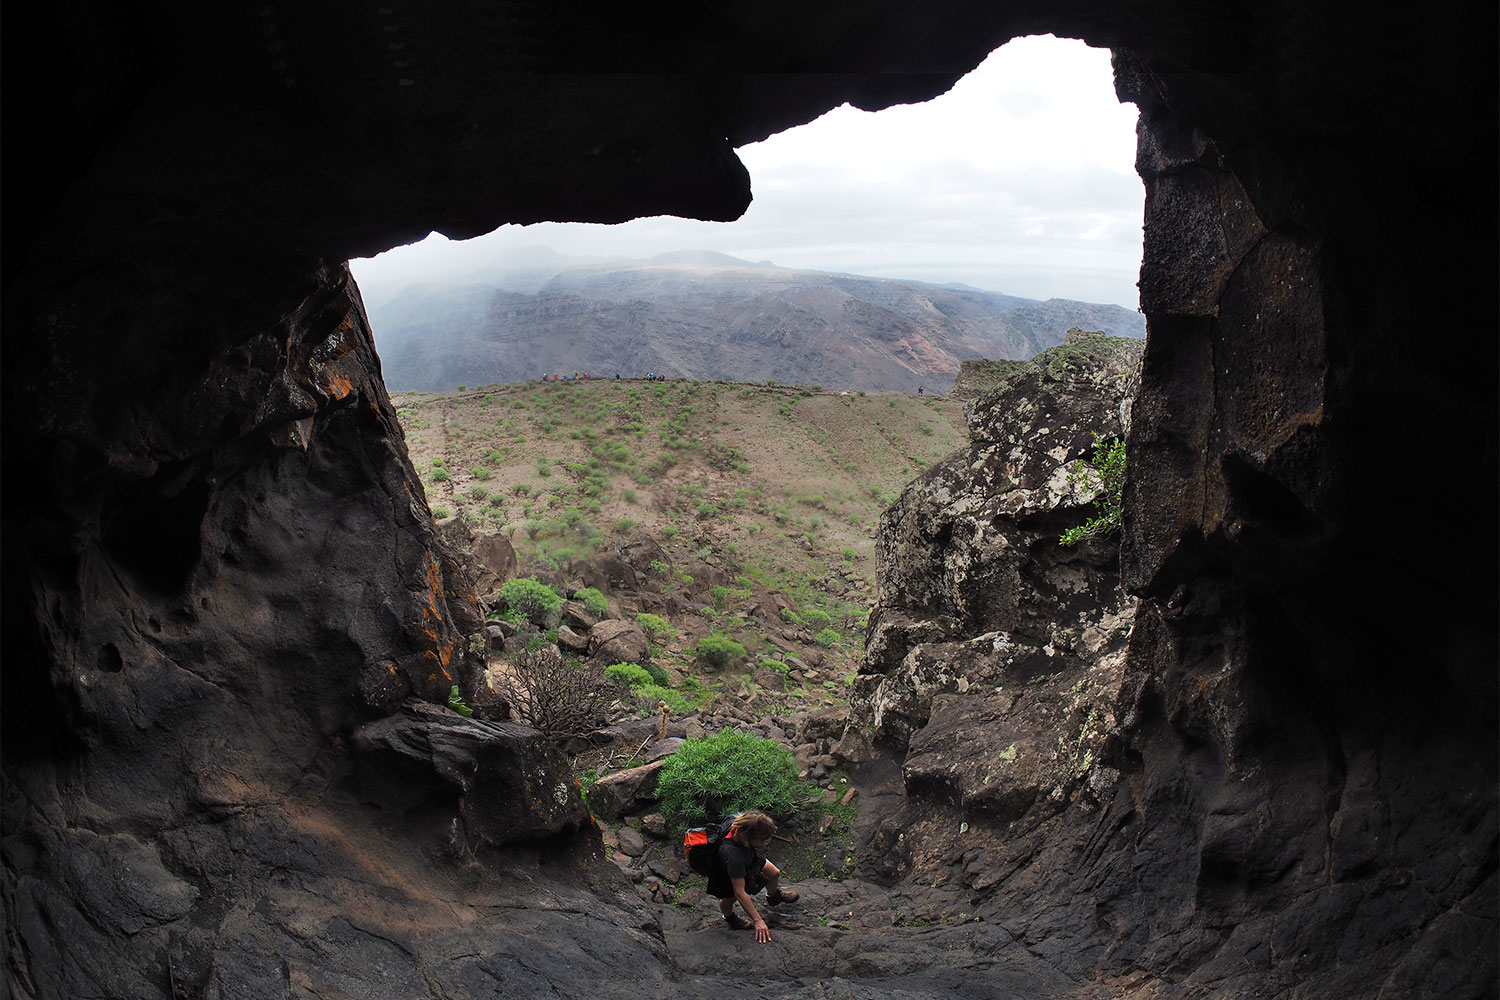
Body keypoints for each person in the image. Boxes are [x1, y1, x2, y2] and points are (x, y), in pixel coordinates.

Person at [706, 811, 799, 942]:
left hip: (749, 858)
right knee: (730, 898)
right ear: (750, 837)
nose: (766, 840)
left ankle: (773, 896)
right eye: (763, 838)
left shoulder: (740, 821)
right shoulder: (733, 856)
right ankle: (730, 917)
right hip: (728, 871)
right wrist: (758, 920)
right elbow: (740, 892)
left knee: (774, 873)